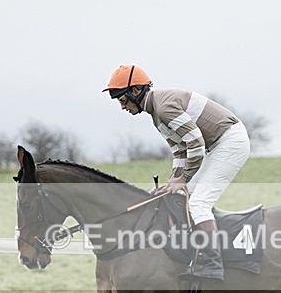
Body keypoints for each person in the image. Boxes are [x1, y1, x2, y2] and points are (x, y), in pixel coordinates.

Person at [103, 64, 251, 281]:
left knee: (198, 203)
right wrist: (173, 181)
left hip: (230, 142)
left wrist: (183, 178)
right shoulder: (156, 114)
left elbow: (196, 144)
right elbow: (180, 152)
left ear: (136, 91)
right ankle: (196, 253)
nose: (122, 106)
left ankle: (213, 263)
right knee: (180, 196)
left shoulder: (164, 108)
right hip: (215, 145)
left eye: (122, 100)